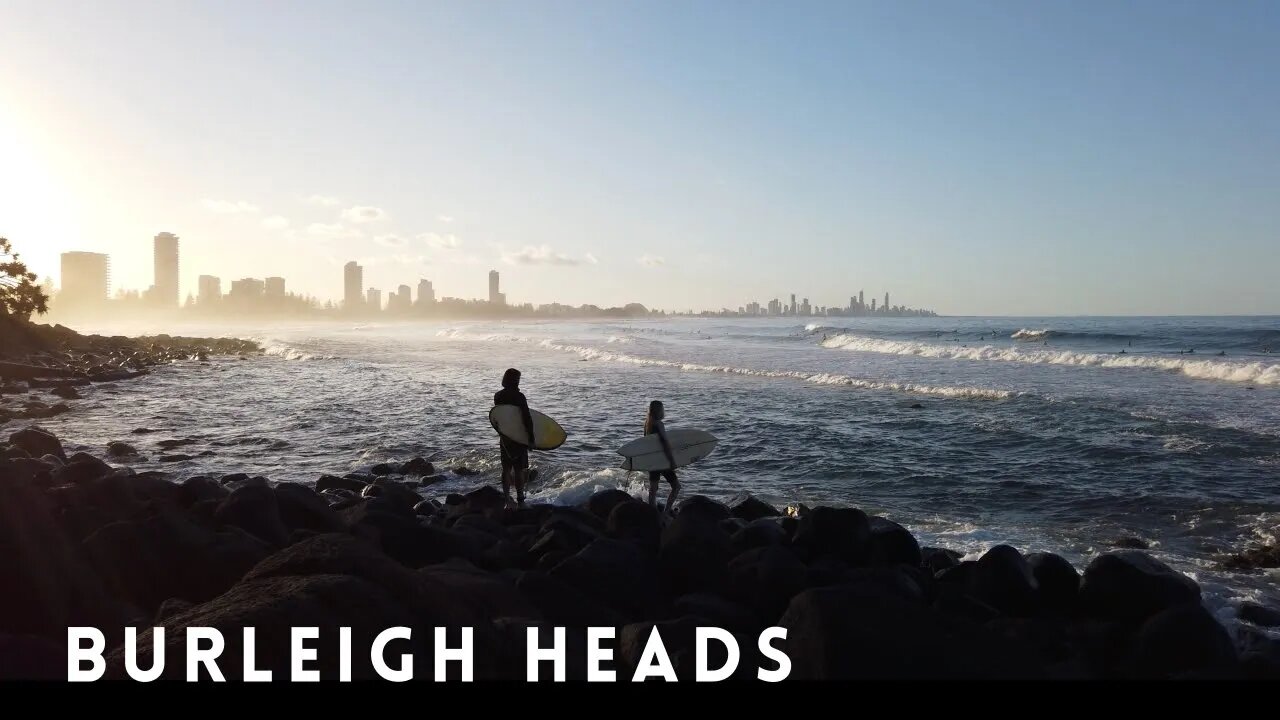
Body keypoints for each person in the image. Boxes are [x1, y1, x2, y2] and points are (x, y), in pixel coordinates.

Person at [494, 368, 534, 507]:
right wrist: (531, 438)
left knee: (505, 468)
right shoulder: (519, 397)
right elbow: (526, 418)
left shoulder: (498, 396)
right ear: (515, 380)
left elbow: (498, 416)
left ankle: (506, 499)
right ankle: (520, 499)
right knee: (518, 469)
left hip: (505, 436)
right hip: (519, 436)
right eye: (518, 378)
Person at [644, 400, 681, 514]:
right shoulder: (659, 424)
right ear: (659, 411)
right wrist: (672, 461)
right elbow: (665, 444)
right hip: (662, 461)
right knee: (676, 486)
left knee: (653, 490)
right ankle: (666, 512)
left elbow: (647, 444)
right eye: (662, 409)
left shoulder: (647, 424)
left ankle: (652, 514)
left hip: (652, 461)